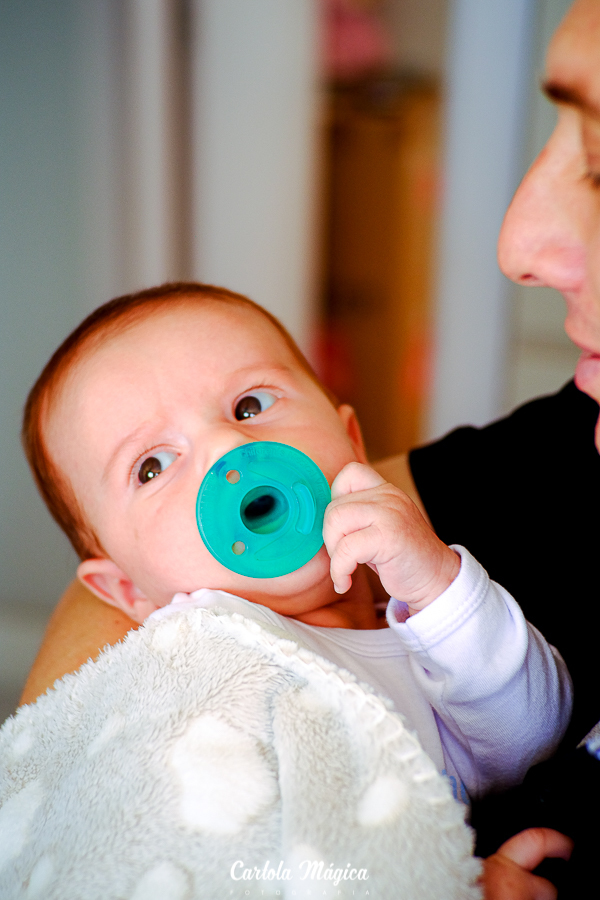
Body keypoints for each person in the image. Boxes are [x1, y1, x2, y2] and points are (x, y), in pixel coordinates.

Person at [19, 281, 570, 807]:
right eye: (152, 466)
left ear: (350, 441)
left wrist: (440, 589)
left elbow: (530, 746)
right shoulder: (192, 677)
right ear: (126, 589)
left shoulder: (426, 640)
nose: (227, 446)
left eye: (251, 406)